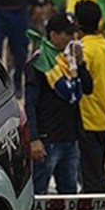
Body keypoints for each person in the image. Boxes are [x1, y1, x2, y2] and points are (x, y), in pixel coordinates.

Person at [26, 13, 92, 195]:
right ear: (53, 35)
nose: (73, 39)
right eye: (68, 34)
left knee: (69, 192)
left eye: (75, 35)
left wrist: (80, 64)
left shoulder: (69, 63)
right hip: (47, 139)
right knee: (38, 192)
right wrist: (34, 139)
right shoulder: (39, 62)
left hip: (70, 138)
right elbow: (30, 103)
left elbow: (87, 88)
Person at [75, 0, 105, 194]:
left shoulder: (82, 51)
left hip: (86, 119)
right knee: (98, 169)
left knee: (90, 175)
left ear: (77, 23)